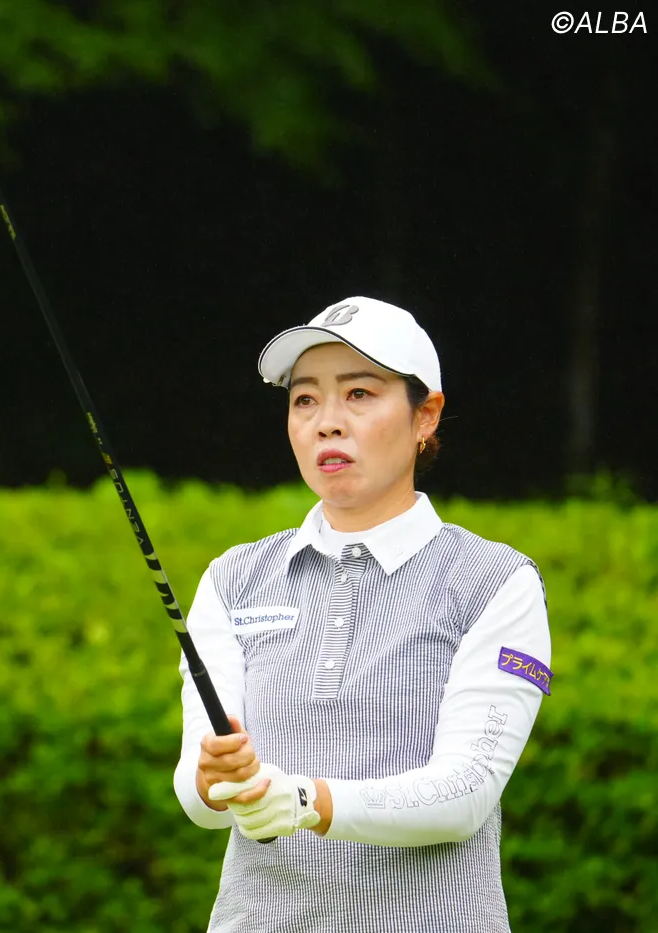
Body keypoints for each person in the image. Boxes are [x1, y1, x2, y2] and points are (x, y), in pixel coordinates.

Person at [172, 296, 552, 932]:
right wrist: (215, 778)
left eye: (359, 394)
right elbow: (199, 797)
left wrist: (309, 802)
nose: (327, 423)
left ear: (425, 415)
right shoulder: (232, 580)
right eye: (305, 399)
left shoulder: (496, 581)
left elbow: (465, 791)